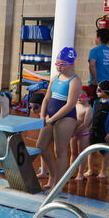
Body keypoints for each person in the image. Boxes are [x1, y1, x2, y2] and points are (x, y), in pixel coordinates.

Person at [35, 47, 82, 189]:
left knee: (60, 151)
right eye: (57, 64)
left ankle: (57, 185)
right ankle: (53, 175)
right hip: (50, 117)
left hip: (66, 118)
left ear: (72, 64)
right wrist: (43, 115)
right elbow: (46, 98)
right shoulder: (55, 78)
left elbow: (70, 105)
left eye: (62, 65)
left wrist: (51, 118)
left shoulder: (75, 81)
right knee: (41, 146)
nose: (59, 67)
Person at [85, 80, 109, 179]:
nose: (96, 92)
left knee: (104, 153)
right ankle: (90, 169)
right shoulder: (96, 102)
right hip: (94, 130)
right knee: (91, 151)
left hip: (104, 131)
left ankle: (103, 171)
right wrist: (88, 128)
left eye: (99, 90)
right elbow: (93, 116)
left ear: (106, 91)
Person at [71, 86, 94, 181]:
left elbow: (85, 124)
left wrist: (75, 131)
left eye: (82, 96)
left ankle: (80, 173)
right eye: (78, 96)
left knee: (82, 154)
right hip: (73, 134)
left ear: (89, 97)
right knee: (73, 153)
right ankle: (71, 172)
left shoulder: (88, 108)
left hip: (82, 134)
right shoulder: (75, 105)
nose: (79, 98)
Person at [88, 28, 109, 98]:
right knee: (104, 106)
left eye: (96, 37)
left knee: (94, 106)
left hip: (97, 85)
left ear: (99, 38)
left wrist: (94, 80)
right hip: (108, 86)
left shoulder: (94, 51)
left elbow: (92, 65)